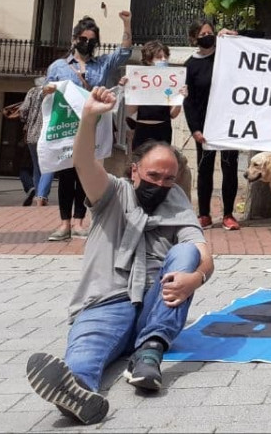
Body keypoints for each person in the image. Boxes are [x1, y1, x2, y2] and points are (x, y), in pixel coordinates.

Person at [25, 86, 213, 425]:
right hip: (105, 303)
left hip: (155, 304)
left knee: (185, 252)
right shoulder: (112, 193)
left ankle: (150, 352)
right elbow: (83, 161)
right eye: (154, 175)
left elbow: (202, 252)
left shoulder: (176, 202)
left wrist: (193, 279)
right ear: (135, 170)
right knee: (84, 356)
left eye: (169, 178)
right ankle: (79, 394)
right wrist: (90, 116)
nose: (161, 183)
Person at [46, 13, 134, 241]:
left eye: (92, 39)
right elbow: (47, 93)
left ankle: (79, 221)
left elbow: (124, 52)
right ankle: (64, 223)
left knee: (86, 175)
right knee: (66, 175)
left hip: (94, 129)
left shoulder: (102, 64)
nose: (88, 43)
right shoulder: (59, 66)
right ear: (75, 38)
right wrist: (47, 91)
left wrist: (126, 23)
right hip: (67, 129)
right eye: (84, 39)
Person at [183, 17, 241, 231]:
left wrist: (235, 35)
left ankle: (228, 214)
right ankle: (204, 214)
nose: (207, 37)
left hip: (228, 124)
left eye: (210, 33)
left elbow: (254, 45)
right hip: (205, 127)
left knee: (229, 167)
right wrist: (195, 129)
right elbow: (188, 102)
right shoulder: (190, 65)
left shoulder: (226, 56)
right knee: (204, 169)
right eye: (202, 35)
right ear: (193, 38)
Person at [125, 41, 182, 151]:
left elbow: (173, 114)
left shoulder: (170, 82)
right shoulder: (140, 81)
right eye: (159, 57)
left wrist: (180, 98)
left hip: (163, 130)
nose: (164, 60)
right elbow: (131, 111)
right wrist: (130, 90)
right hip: (142, 129)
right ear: (148, 60)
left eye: (166, 57)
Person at [17, 76, 54, 207]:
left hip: (32, 135)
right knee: (49, 166)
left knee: (37, 167)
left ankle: (39, 195)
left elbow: (23, 112)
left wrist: (28, 120)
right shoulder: (53, 92)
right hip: (48, 133)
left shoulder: (32, 92)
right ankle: (42, 196)